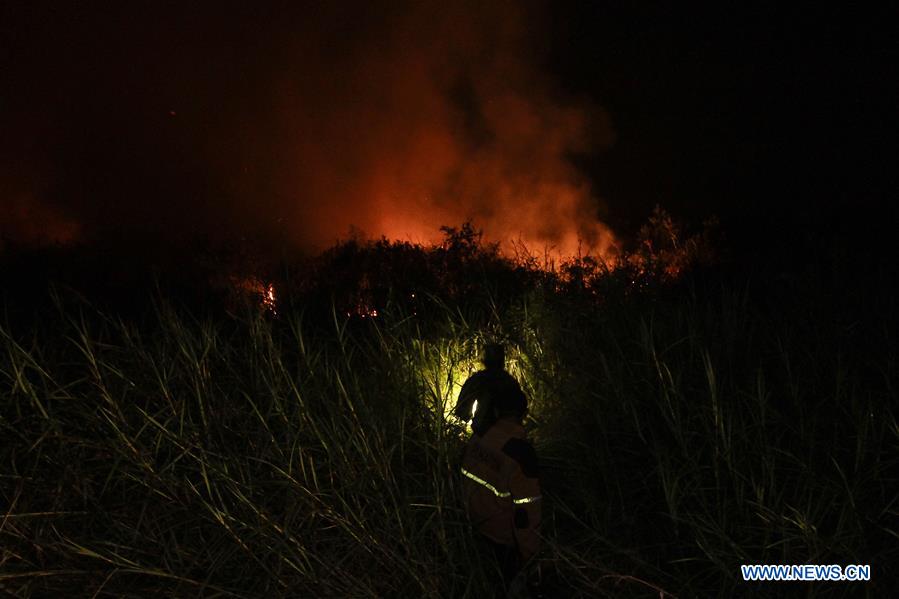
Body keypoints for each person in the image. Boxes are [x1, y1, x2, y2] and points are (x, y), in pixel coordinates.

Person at [455, 344, 542, 596]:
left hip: (475, 517)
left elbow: (461, 413)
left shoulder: (475, 440)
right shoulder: (510, 384)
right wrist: (531, 563)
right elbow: (527, 515)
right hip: (502, 537)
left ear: (485, 359)